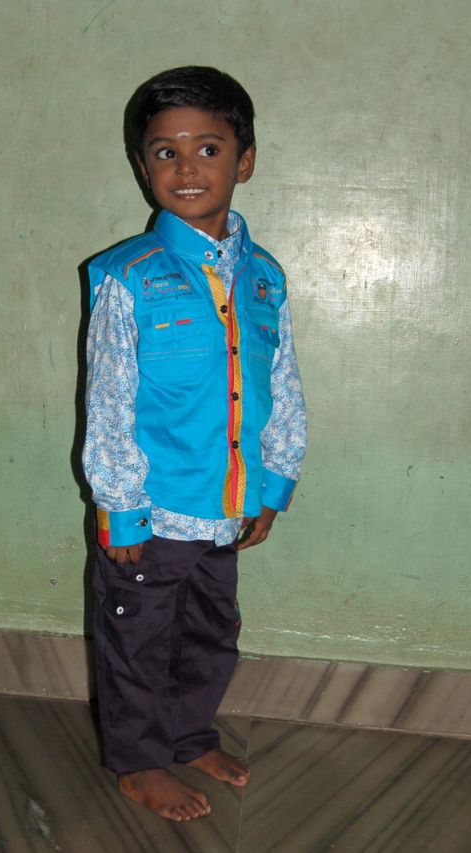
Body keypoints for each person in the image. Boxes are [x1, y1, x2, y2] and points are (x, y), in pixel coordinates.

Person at [82, 66, 306, 822]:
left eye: (208, 148)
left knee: (211, 633)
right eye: (164, 152)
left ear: (246, 159)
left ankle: (188, 735)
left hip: (226, 507)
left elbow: (282, 385)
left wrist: (275, 484)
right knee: (138, 638)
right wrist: (119, 507)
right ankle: (139, 761)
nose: (186, 168)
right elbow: (108, 400)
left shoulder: (266, 278)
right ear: (141, 165)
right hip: (152, 511)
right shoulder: (127, 276)